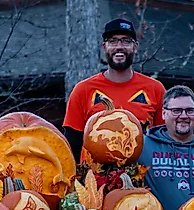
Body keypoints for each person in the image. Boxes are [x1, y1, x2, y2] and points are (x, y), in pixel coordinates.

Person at [63, 18, 166, 161]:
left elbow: (164, 141)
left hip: (144, 177)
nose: (119, 46)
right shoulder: (83, 90)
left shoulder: (155, 89)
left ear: (135, 46)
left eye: (125, 41)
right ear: (104, 47)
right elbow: (72, 143)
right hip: (95, 179)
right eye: (112, 41)